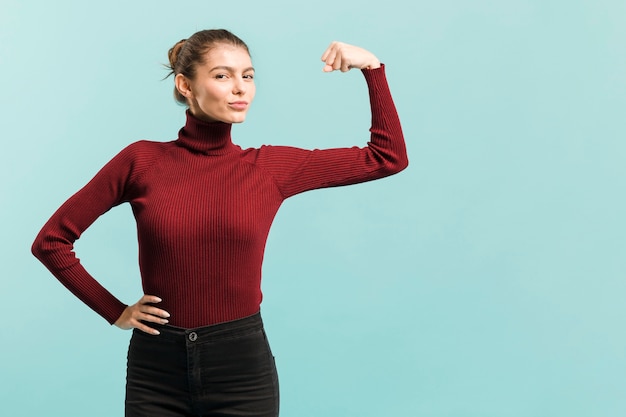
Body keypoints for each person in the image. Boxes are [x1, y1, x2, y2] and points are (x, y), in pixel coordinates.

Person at [31, 28, 408, 417]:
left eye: (248, 75)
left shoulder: (269, 169)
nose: (240, 88)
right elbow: (51, 241)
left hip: (241, 369)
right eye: (222, 75)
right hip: (156, 371)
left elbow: (387, 157)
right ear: (185, 85)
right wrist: (115, 311)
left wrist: (373, 69)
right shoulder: (141, 162)